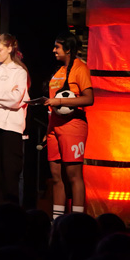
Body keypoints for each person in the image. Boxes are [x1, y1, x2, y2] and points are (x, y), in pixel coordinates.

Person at [45, 33, 94, 219]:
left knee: (74, 175)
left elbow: (89, 99)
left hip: (73, 126)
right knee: (56, 176)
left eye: (57, 47)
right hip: (54, 126)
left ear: (68, 49)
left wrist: (58, 101)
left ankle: (77, 222)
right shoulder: (59, 71)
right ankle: (57, 221)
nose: (53, 50)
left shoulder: (80, 68)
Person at [0, 33, 30, 212]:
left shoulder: (20, 72)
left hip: (11, 128)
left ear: (10, 48)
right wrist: (5, 97)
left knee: (10, 173)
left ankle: (10, 214)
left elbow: (16, 100)